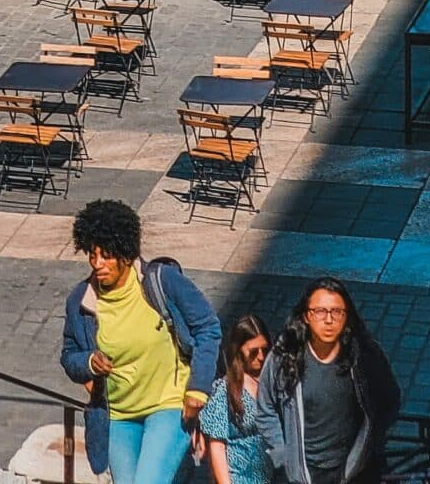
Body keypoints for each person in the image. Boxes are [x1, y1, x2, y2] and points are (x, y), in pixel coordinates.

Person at [61, 199, 221, 484]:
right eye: (92, 255)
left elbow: (208, 327)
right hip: (118, 415)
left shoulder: (162, 281)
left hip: (168, 404)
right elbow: (69, 354)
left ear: (125, 253)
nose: (98, 264)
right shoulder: (80, 301)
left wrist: (198, 388)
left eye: (106, 256)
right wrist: (89, 363)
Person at [252, 279, 400, 484]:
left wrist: (370, 444)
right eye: (320, 312)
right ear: (306, 316)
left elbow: (390, 399)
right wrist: (282, 454)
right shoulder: (285, 356)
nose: (329, 320)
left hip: (353, 470)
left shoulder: (364, 356)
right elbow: (265, 407)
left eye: (337, 312)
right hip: (303, 471)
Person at [198, 317, 270, 484]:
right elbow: (217, 445)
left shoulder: (272, 382)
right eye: (253, 351)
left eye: (264, 350)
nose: (260, 356)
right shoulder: (224, 389)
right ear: (238, 350)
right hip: (238, 477)